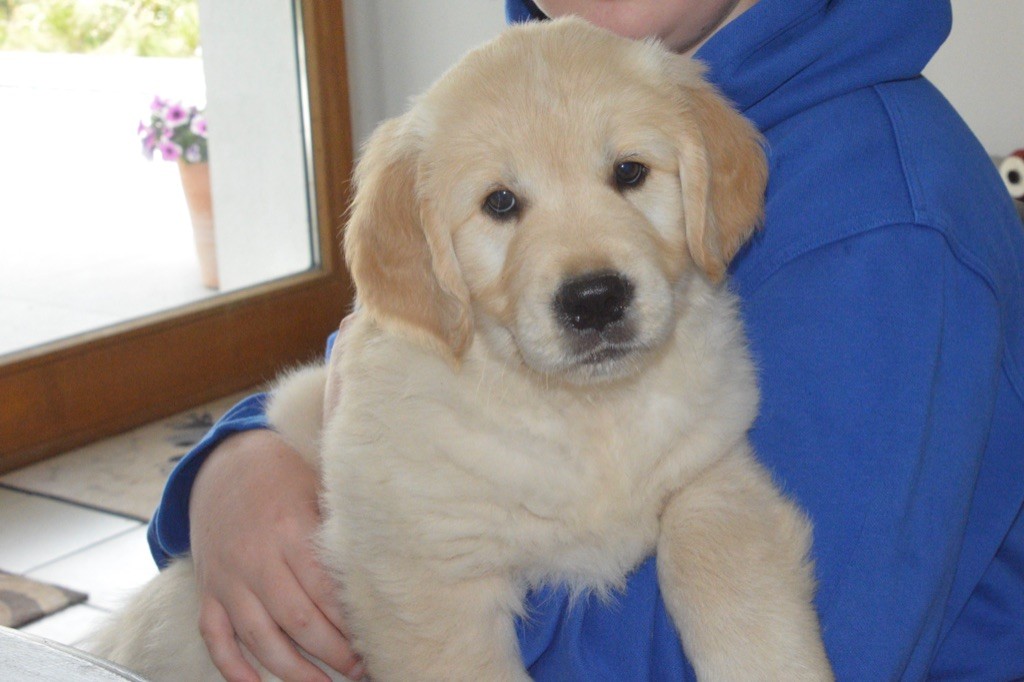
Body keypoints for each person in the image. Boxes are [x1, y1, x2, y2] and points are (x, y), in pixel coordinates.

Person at [147, 0, 1024, 679]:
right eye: (503, 204)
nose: (586, 273)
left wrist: (391, 585)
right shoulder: (513, 98)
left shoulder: (890, 235)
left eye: (629, 174)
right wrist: (235, 462)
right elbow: (374, 350)